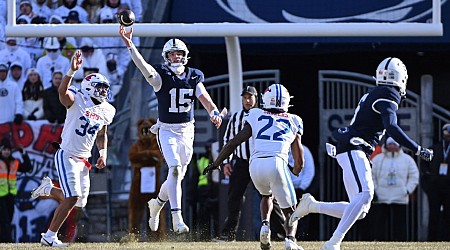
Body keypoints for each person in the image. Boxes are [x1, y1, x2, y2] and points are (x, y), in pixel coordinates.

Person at [289, 57, 434, 250]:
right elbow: (391, 127)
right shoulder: (388, 93)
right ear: (400, 78)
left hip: (353, 149)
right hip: (354, 148)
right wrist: (417, 149)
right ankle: (333, 242)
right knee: (365, 195)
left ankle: (312, 206)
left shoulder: (376, 92)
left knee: (361, 209)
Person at [119, 26, 225, 234]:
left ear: (185, 56)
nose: (176, 57)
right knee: (174, 169)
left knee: (178, 175)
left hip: (187, 130)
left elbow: (204, 97)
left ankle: (157, 204)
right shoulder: (161, 75)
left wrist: (213, 111)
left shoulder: (194, 76)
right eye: (172, 53)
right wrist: (130, 45)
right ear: (166, 56)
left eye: (179, 53)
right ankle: (177, 216)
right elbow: (144, 67)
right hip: (166, 129)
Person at [30, 50, 116, 247]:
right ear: (88, 87)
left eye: (105, 88)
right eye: (100, 87)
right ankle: (49, 237)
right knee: (71, 197)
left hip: (84, 160)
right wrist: (71, 71)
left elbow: (102, 134)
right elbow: (62, 92)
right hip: (67, 155)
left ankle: (49, 189)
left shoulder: (107, 109)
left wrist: (103, 153)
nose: (104, 91)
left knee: (78, 203)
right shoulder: (77, 99)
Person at [204, 83, 305, 250]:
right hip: (276, 162)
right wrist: (296, 171)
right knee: (291, 211)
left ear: (263, 99)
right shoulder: (294, 119)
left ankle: (265, 225)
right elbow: (299, 158)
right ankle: (290, 240)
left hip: (255, 164)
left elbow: (233, 142)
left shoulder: (255, 115)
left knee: (266, 196)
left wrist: (216, 163)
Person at [215, 86, 285, 242]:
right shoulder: (235, 117)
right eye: (245, 97)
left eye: (250, 97)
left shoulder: (262, 115)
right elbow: (228, 139)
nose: (247, 100)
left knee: (269, 197)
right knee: (234, 198)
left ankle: (281, 234)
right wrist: (226, 161)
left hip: (258, 161)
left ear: (257, 99)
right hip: (241, 162)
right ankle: (229, 235)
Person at [370, 137, 419, 241]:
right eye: (390, 144)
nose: (392, 146)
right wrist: (375, 189)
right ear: (386, 145)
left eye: (394, 144)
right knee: (380, 223)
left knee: (400, 224)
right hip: (381, 196)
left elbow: (414, 176)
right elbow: (371, 175)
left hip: (400, 196)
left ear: (399, 145)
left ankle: (401, 242)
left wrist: (407, 190)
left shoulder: (407, 159)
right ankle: (379, 242)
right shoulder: (378, 159)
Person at [421, 123, 450, 241]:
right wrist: (428, 178)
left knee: (448, 214)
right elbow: (424, 164)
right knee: (434, 214)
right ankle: (432, 239)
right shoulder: (434, 148)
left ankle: (447, 239)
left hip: (449, 187)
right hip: (435, 186)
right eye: (446, 132)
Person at [0, 138, 32, 243]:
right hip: (0, 196)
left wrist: (23, 153)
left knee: (8, 218)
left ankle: (5, 240)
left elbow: (27, 167)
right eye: (4, 149)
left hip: (11, 195)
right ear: (1, 150)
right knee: (3, 220)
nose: (6, 152)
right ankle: (6, 240)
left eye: (8, 149)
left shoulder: (15, 162)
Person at [289, 145, 315, 240]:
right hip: (284, 189)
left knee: (301, 216)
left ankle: (301, 237)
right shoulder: (282, 148)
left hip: (299, 189)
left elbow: (310, 171)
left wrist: (301, 188)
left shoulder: (305, 150)